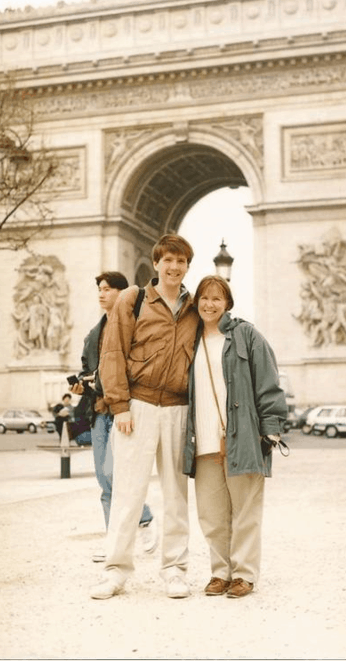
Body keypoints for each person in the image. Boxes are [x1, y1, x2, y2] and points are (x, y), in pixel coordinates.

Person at [90, 233, 199, 600]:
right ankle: (116, 570)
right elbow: (112, 352)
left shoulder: (195, 306)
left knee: (176, 495)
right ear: (155, 264)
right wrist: (119, 405)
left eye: (181, 261)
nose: (174, 267)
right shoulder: (132, 300)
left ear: (187, 266)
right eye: (167, 260)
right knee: (127, 493)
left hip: (178, 408)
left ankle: (174, 569)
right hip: (137, 406)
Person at [183, 275, 288, 598]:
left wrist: (271, 426)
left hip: (242, 437)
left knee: (245, 511)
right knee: (211, 513)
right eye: (204, 297)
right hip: (203, 440)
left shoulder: (247, 335)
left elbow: (268, 382)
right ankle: (220, 572)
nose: (209, 304)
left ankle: (243, 574)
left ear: (228, 303)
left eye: (217, 298)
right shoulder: (188, 339)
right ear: (196, 301)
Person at [70, 272, 157, 560]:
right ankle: (115, 541)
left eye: (107, 289)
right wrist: (82, 384)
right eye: (99, 289)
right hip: (99, 411)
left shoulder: (135, 326)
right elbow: (86, 368)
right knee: (104, 479)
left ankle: (142, 519)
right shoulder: (92, 334)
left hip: (123, 410)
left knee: (115, 475)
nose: (101, 293)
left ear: (123, 293)